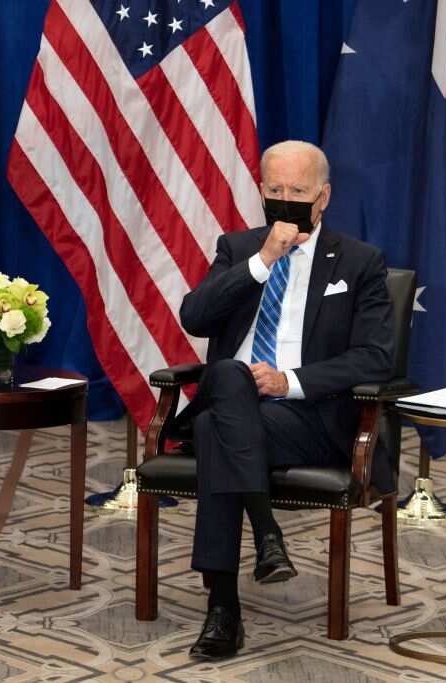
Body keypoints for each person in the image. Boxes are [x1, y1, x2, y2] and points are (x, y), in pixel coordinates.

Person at [178, 140, 394, 660]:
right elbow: (194, 317)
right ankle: (265, 535)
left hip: (309, 414)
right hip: (236, 396)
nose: (284, 199)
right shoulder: (238, 249)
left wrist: (288, 381)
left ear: (323, 198)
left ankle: (224, 609)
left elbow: (375, 358)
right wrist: (261, 261)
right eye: (273, 189)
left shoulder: (360, 262)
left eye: (297, 190)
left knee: (213, 432)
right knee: (230, 376)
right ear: (259, 191)